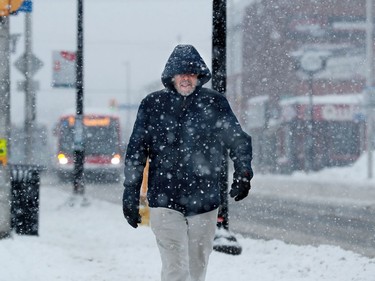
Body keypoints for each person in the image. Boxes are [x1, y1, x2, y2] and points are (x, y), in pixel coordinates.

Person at [122, 44, 253, 281]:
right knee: (175, 267)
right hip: (164, 198)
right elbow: (136, 151)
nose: (186, 78)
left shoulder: (214, 104)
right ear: (171, 76)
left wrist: (243, 172)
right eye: (181, 73)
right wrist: (130, 193)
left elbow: (238, 140)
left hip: (204, 200)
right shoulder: (152, 105)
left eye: (191, 73)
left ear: (199, 76)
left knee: (197, 267)